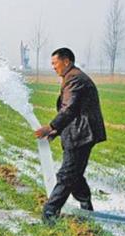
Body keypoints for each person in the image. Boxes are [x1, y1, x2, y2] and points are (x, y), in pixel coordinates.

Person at [35, 48, 106, 224]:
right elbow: (72, 111)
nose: (53, 67)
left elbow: (69, 108)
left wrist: (50, 126)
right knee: (75, 173)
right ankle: (85, 205)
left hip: (81, 134)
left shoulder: (74, 78)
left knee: (67, 174)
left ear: (66, 61)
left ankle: (49, 213)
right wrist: (56, 131)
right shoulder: (72, 76)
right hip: (79, 132)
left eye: (55, 63)